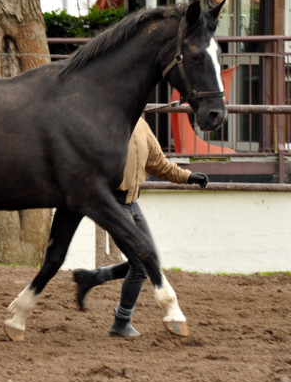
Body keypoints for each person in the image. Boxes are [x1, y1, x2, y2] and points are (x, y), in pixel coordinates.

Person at [73, 117, 208, 337]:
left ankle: (93, 278)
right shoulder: (107, 124)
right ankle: (121, 321)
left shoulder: (141, 126)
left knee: (149, 261)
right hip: (115, 206)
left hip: (133, 204)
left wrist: (188, 177)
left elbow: (158, 164)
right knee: (141, 266)